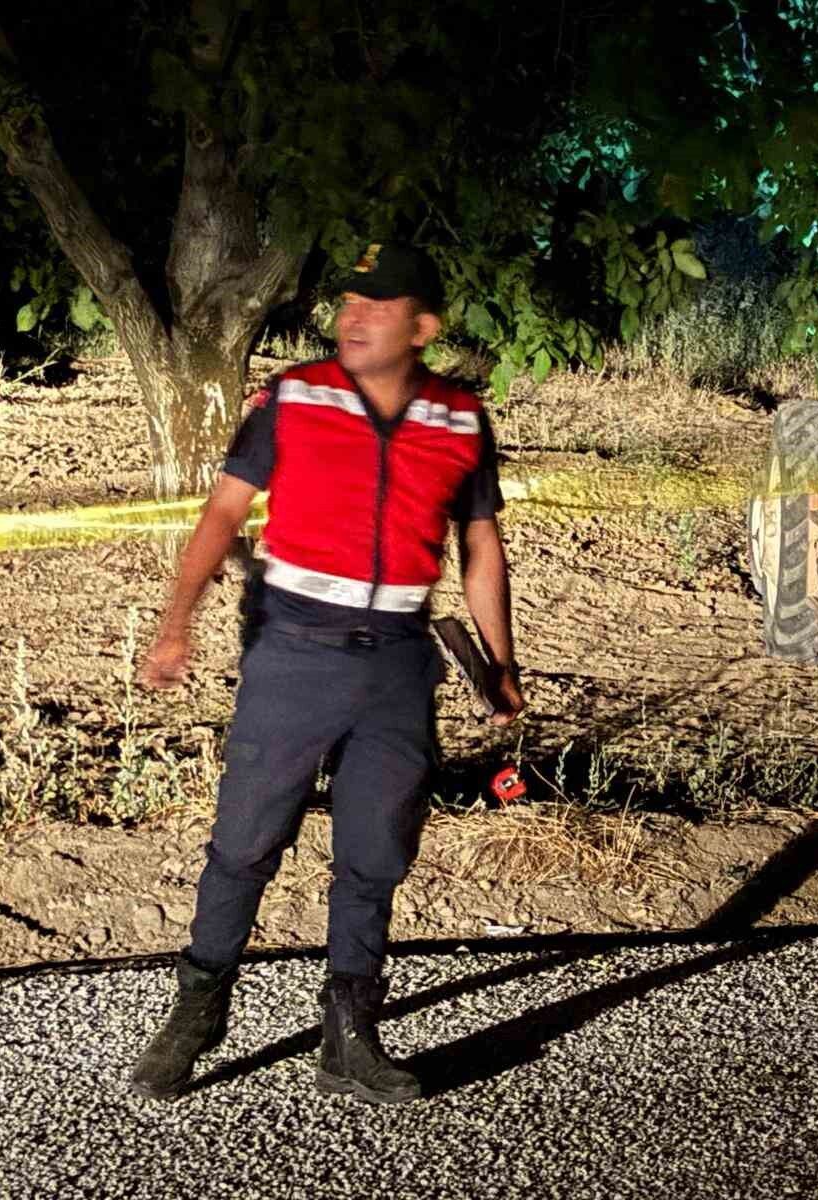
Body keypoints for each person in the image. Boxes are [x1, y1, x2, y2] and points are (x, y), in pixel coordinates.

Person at [129, 242, 525, 1105]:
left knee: (375, 852)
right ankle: (197, 1014)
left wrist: (501, 665)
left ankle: (350, 1035)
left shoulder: (460, 418)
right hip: (294, 649)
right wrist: (176, 624)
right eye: (349, 301)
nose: (352, 317)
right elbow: (224, 510)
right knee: (245, 841)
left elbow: (481, 547)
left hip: (396, 660)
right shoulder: (295, 397)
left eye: (377, 306)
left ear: (422, 327)